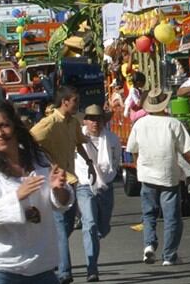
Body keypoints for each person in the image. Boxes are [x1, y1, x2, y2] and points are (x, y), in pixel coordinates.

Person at [0, 101, 74, 284]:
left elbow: (60, 203)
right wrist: (16, 196)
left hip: (39, 267)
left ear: (15, 127)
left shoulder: (39, 161)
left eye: (4, 125)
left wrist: (59, 189)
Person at [30, 86, 96, 284]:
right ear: (65, 101)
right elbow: (30, 141)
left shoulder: (73, 123)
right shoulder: (49, 123)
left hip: (71, 181)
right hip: (55, 183)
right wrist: (45, 162)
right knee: (59, 228)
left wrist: (89, 162)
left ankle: (55, 259)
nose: (77, 104)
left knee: (66, 227)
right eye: (75, 100)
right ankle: (65, 273)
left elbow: (77, 143)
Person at [126, 88, 190, 267]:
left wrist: (139, 166)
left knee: (149, 214)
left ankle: (149, 245)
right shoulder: (173, 124)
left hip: (147, 175)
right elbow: (186, 151)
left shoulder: (140, 124)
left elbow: (133, 150)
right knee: (171, 217)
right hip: (168, 176)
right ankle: (169, 255)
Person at [74, 105, 121, 282]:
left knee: (103, 226)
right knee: (90, 224)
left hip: (105, 186)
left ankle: (97, 237)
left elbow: (115, 160)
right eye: (91, 119)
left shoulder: (111, 139)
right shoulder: (78, 137)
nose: (95, 122)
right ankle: (91, 268)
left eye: (98, 119)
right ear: (85, 120)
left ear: (103, 121)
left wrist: (109, 175)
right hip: (84, 185)